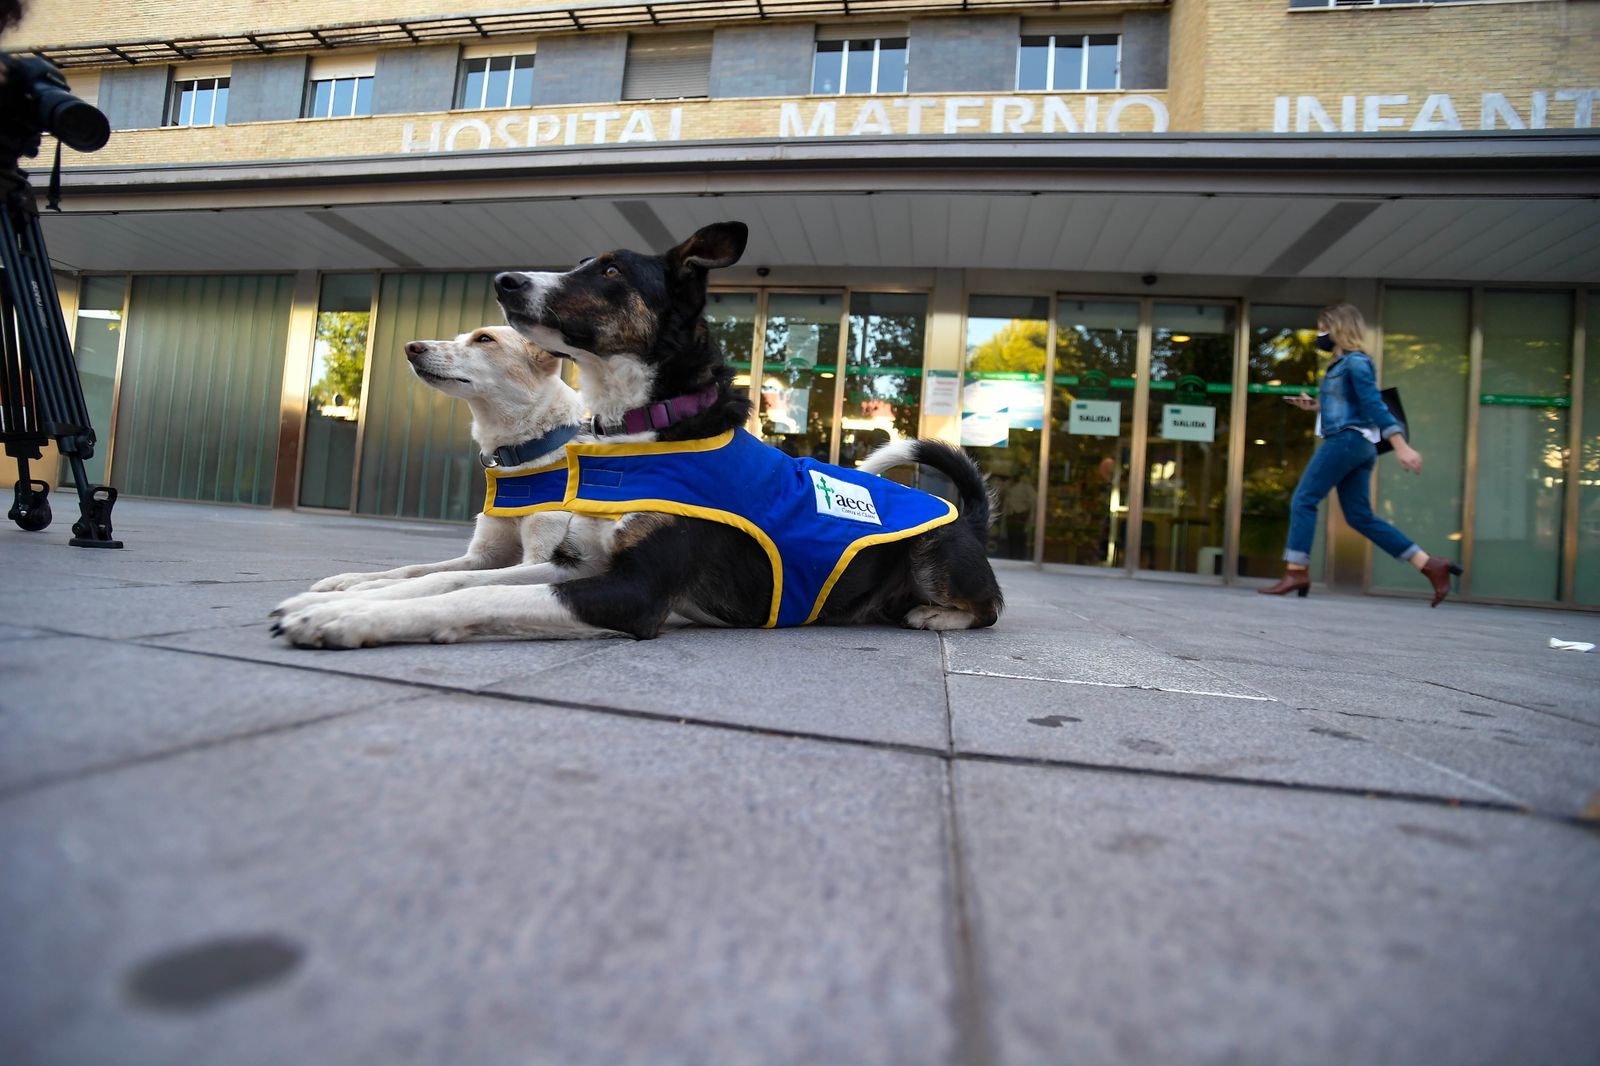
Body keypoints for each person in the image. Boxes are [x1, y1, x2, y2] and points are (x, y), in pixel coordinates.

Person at [1260, 303, 1462, 606]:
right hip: (1358, 444)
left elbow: (1373, 405)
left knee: (1304, 499)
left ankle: (1296, 570)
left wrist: (1400, 444)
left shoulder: (1356, 363)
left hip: (1346, 441)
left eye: (1323, 328)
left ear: (1339, 328)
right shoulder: (1342, 365)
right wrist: (1315, 407)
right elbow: (1351, 404)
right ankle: (1428, 563)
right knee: (1359, 517)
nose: (1319, 335)